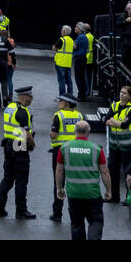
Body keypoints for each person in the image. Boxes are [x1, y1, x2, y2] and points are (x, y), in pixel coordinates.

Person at [55, 119, 111, 240]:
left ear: (75, 131)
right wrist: (108, 190)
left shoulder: (64, 148)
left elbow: (59, 170)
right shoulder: (97, 149)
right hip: (93, 195)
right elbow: (104, 172)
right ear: (88, 132)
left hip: (74, 194)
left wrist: (60, 188)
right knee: (95, 222)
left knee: (76, 224)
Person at [0, 85, 36, 220]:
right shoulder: (22, 111)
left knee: (8, 178)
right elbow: (26, 134)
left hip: (8, 143)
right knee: (21, 180)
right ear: (25, 97)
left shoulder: (10, 107)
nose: (32, 99)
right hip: (19, 145)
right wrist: (33, 144)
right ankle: (21, 210)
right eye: (30, 97)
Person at [48, 93, 82, 222]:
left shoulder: (58, 115)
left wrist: (52, 126)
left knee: (59, 182)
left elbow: (53, 135)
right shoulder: (79, 115)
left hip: (60, 152)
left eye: (60, 101)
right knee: (74, 182)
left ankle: (57, 214)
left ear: (66, 103)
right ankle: (76, 214)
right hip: (75, 150)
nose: (58, 103)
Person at [105, 85, 131, 204]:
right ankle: (114, 196)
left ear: (129, 96)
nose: (122, 95)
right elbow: (105, 120)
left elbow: (125, 125)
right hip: (114, 145)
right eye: (121, 92)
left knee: (128, 172)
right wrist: (117, 122)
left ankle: (129, 197)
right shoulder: (114, 105)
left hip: (127, 146)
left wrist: (113, 121)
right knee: (112, 170)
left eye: (124, 93)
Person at [53, 25, 75, 100]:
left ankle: (62, 97)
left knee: (61, 81)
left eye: (62, 30)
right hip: (68, 63)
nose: (61, 31)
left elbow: (54, 48)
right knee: (69, 80)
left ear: (65, 32)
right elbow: (74, 47)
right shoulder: (71, 40)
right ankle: (70, 96)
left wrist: (54, 48)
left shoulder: (62, 39)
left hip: (60, 62)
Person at [72, 23, 90, 102]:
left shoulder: (81, 37)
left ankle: (81, 95)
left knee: (79, 78)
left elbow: (74, 46)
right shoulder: (82, 37)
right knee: (80, 77)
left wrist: (70, 42)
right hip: (81, 58)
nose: (75, 28)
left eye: (76, 27)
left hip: (80, 58)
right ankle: (81, 95)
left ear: (80, 29)